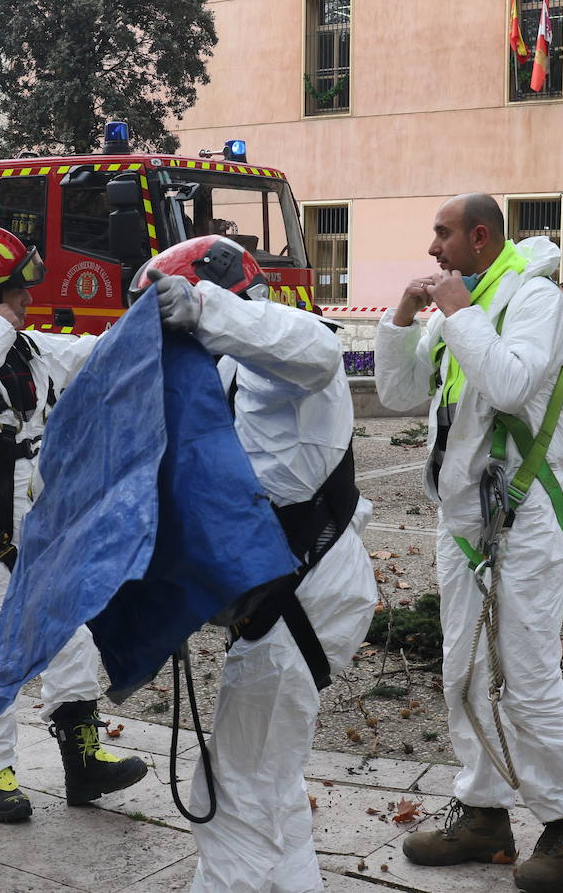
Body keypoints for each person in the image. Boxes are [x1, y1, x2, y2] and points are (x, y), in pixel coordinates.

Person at [134, 236, 377, 893]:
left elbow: (317, 350)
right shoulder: (233, 368)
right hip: (290, 594)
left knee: (230, 782)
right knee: (268, 777)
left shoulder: (285, 352)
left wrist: (202, 306)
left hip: (302, 597)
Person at [374, 193, 563, 892]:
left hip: (524, 514)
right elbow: (400, 393)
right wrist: (403, 319)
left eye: (443, 235)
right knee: (462, 668)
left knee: (527, 672)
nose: (433, 248)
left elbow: (506, 383)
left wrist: (456, 311)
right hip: (465, 516)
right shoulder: (464, 305)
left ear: (479, 236)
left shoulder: (535, 302)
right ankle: (482, 813)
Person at [0, 224, 147, 823]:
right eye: (18, 289)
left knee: (72, 643)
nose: (28, 299)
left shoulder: (28, 348)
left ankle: (84, 760)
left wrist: (151, 315)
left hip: (48, 530)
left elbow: (95, 353)